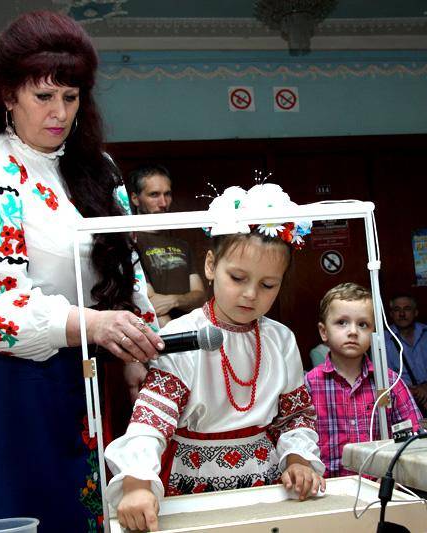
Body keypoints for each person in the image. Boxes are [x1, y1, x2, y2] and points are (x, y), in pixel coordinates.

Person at [0, 11, 164, 533]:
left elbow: (124, 263)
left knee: (85, 505)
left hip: (81, 364)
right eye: (43, 96)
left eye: (71, 97)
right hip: (1, 376)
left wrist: (134, 347)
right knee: (21, 506)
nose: (59, 113)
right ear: (7, 95)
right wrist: (93, 324)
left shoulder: (98, 167)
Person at [105, 184, 325, 532]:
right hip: (192, 484)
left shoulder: (281, 339)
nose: (250, 294)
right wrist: (136, 483)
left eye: (268, 285)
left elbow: (295, 416)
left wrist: (298, 459)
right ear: (210, 265)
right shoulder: (183, 335)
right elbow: (152, 419)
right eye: (237, 278)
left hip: (266, 483)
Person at [306, 283, 422, 478]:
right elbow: (299, 443)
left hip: (379, 486)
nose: (353, 331)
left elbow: (414, 436)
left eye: (363, 324)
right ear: (323, 331)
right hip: (328, 488)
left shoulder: (390, 382)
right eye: (342, 322)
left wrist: (396, 474)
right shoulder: (309, 385)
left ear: (373, 334)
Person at [129, 164, 205, 327]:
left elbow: (200, 296)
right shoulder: (130, 242)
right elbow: (150, 304)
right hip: (163, 335)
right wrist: (177, 337)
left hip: (193, 330)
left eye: (167, 194)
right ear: (135, 198)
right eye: (154, 194)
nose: (163, 203)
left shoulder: (182, 245)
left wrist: (174, 300)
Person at [384, 294, 427, 415]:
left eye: (407, 309)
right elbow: (385, 379)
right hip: (402, 402)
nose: (402, 314)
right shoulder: (383, 339)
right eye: (397, 310)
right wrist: (422, 396)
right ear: (391, 314)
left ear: (415, 312)